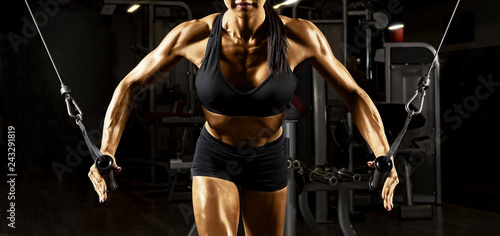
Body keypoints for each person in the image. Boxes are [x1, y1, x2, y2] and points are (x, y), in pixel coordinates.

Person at [88, 0, 399, 235]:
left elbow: (354, 94)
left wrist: (382, 152)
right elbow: (130, 86)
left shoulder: (301, 35)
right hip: (216, 157)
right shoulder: (193, 35)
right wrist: (107, 151)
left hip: (268, 159)